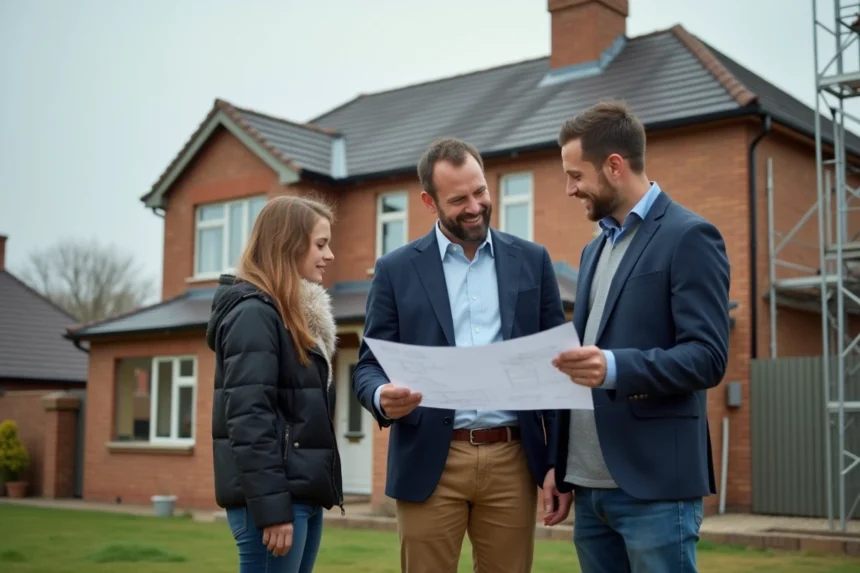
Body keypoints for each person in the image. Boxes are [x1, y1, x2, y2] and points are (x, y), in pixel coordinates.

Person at [352, 137, 570, 573]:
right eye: (459, 199)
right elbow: (368, 365)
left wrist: (557, 466)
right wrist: (380, 396)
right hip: (429, 459)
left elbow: (557, 367)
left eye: (480, 191)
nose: (475, 206)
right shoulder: (395, 270)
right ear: (429, 202)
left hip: (513, 459)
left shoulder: (532, 261)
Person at [549, 100, 731, 572]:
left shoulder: (690, 236)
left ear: (614, 166)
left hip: (654, 489)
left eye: (575, 175)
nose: (569, 189)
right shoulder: (593, 250)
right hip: (588, 492)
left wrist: (614, 367)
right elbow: (579, 366)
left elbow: (707, 357)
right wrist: (561, 469)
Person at [206, 195, 343, 573]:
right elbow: (249, 418)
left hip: (299, 498)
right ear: (287, 244)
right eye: (320, 244)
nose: (329, 254)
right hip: (274, 505)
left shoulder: (289, 315)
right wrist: (272, 509)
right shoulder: (253, 314)